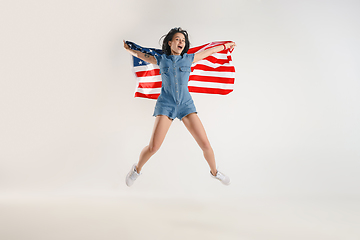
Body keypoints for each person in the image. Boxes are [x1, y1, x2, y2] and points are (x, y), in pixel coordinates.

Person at [124, 27, 236, 187]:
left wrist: (225, 46)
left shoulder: (189, 58)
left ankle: (215, 172)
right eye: (177, 39)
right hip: (166, 105)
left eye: (183, 40)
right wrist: (129, 49)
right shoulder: (161, 59)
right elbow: (142, 55)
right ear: (170, 43)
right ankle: (136, 170)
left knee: (206, 145)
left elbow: (208, 52)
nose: (180, 42)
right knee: (154, 147)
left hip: (186, 105)